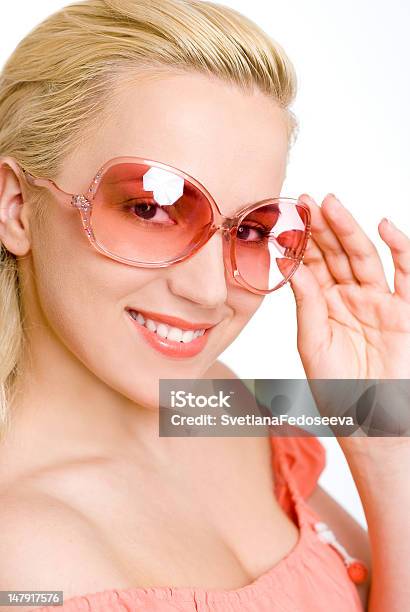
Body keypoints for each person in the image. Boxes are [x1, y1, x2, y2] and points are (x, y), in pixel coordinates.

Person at [0, 1, 409, 610]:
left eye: (249, 230)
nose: (210, 291)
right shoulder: (24, 559)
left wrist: (382, 432)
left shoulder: (218, 401)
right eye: (151, 209)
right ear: (15, 207)